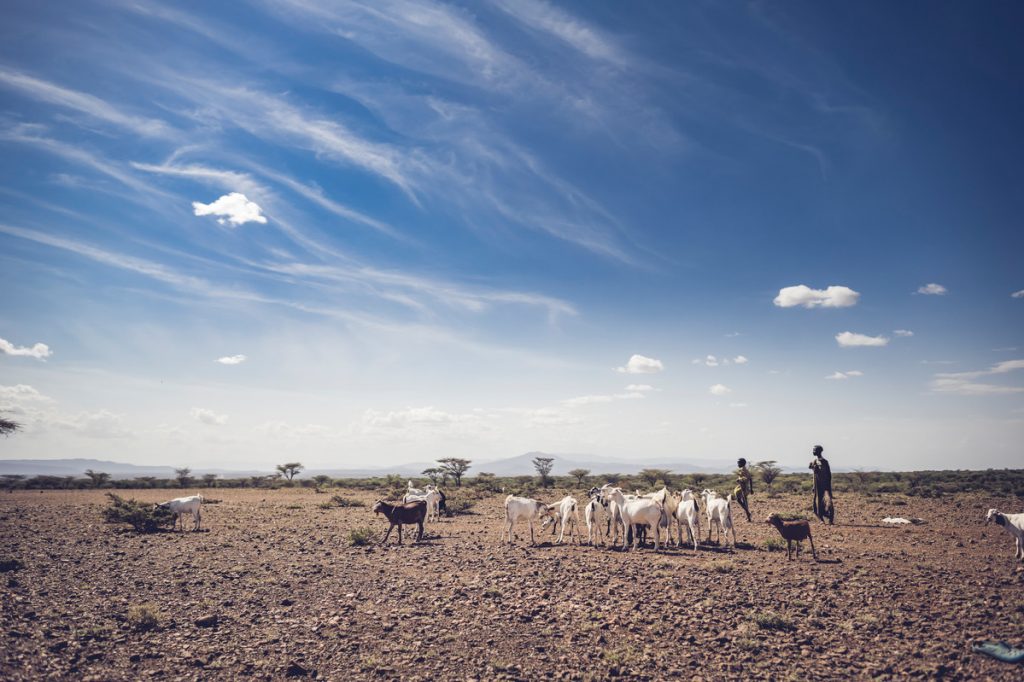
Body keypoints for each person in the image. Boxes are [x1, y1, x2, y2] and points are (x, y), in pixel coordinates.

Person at [809, 445, 834, 524]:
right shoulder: (814, 461)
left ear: (819, 451)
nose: (813, 451)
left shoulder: (824, 462)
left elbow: (828, 475)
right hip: (817, 486)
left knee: (827, 502)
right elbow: (815, 475)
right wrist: (814, 485)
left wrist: (828, 486)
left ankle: (830, 519)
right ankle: (821, 519)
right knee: (817, 503)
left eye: (814, 450)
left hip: (824, 485)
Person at [733, 457, 754, 522]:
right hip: (745, 488)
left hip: (743, 488)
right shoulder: (745, 470)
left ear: (742, 463)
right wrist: (751, 489)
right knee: (745, 501)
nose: (737, 464)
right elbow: (750, 479)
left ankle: (748, 512)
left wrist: (739, 480)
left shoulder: (742, 470)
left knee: (739, 499)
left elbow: (745, 479)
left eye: (738, 463)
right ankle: (748, 517)